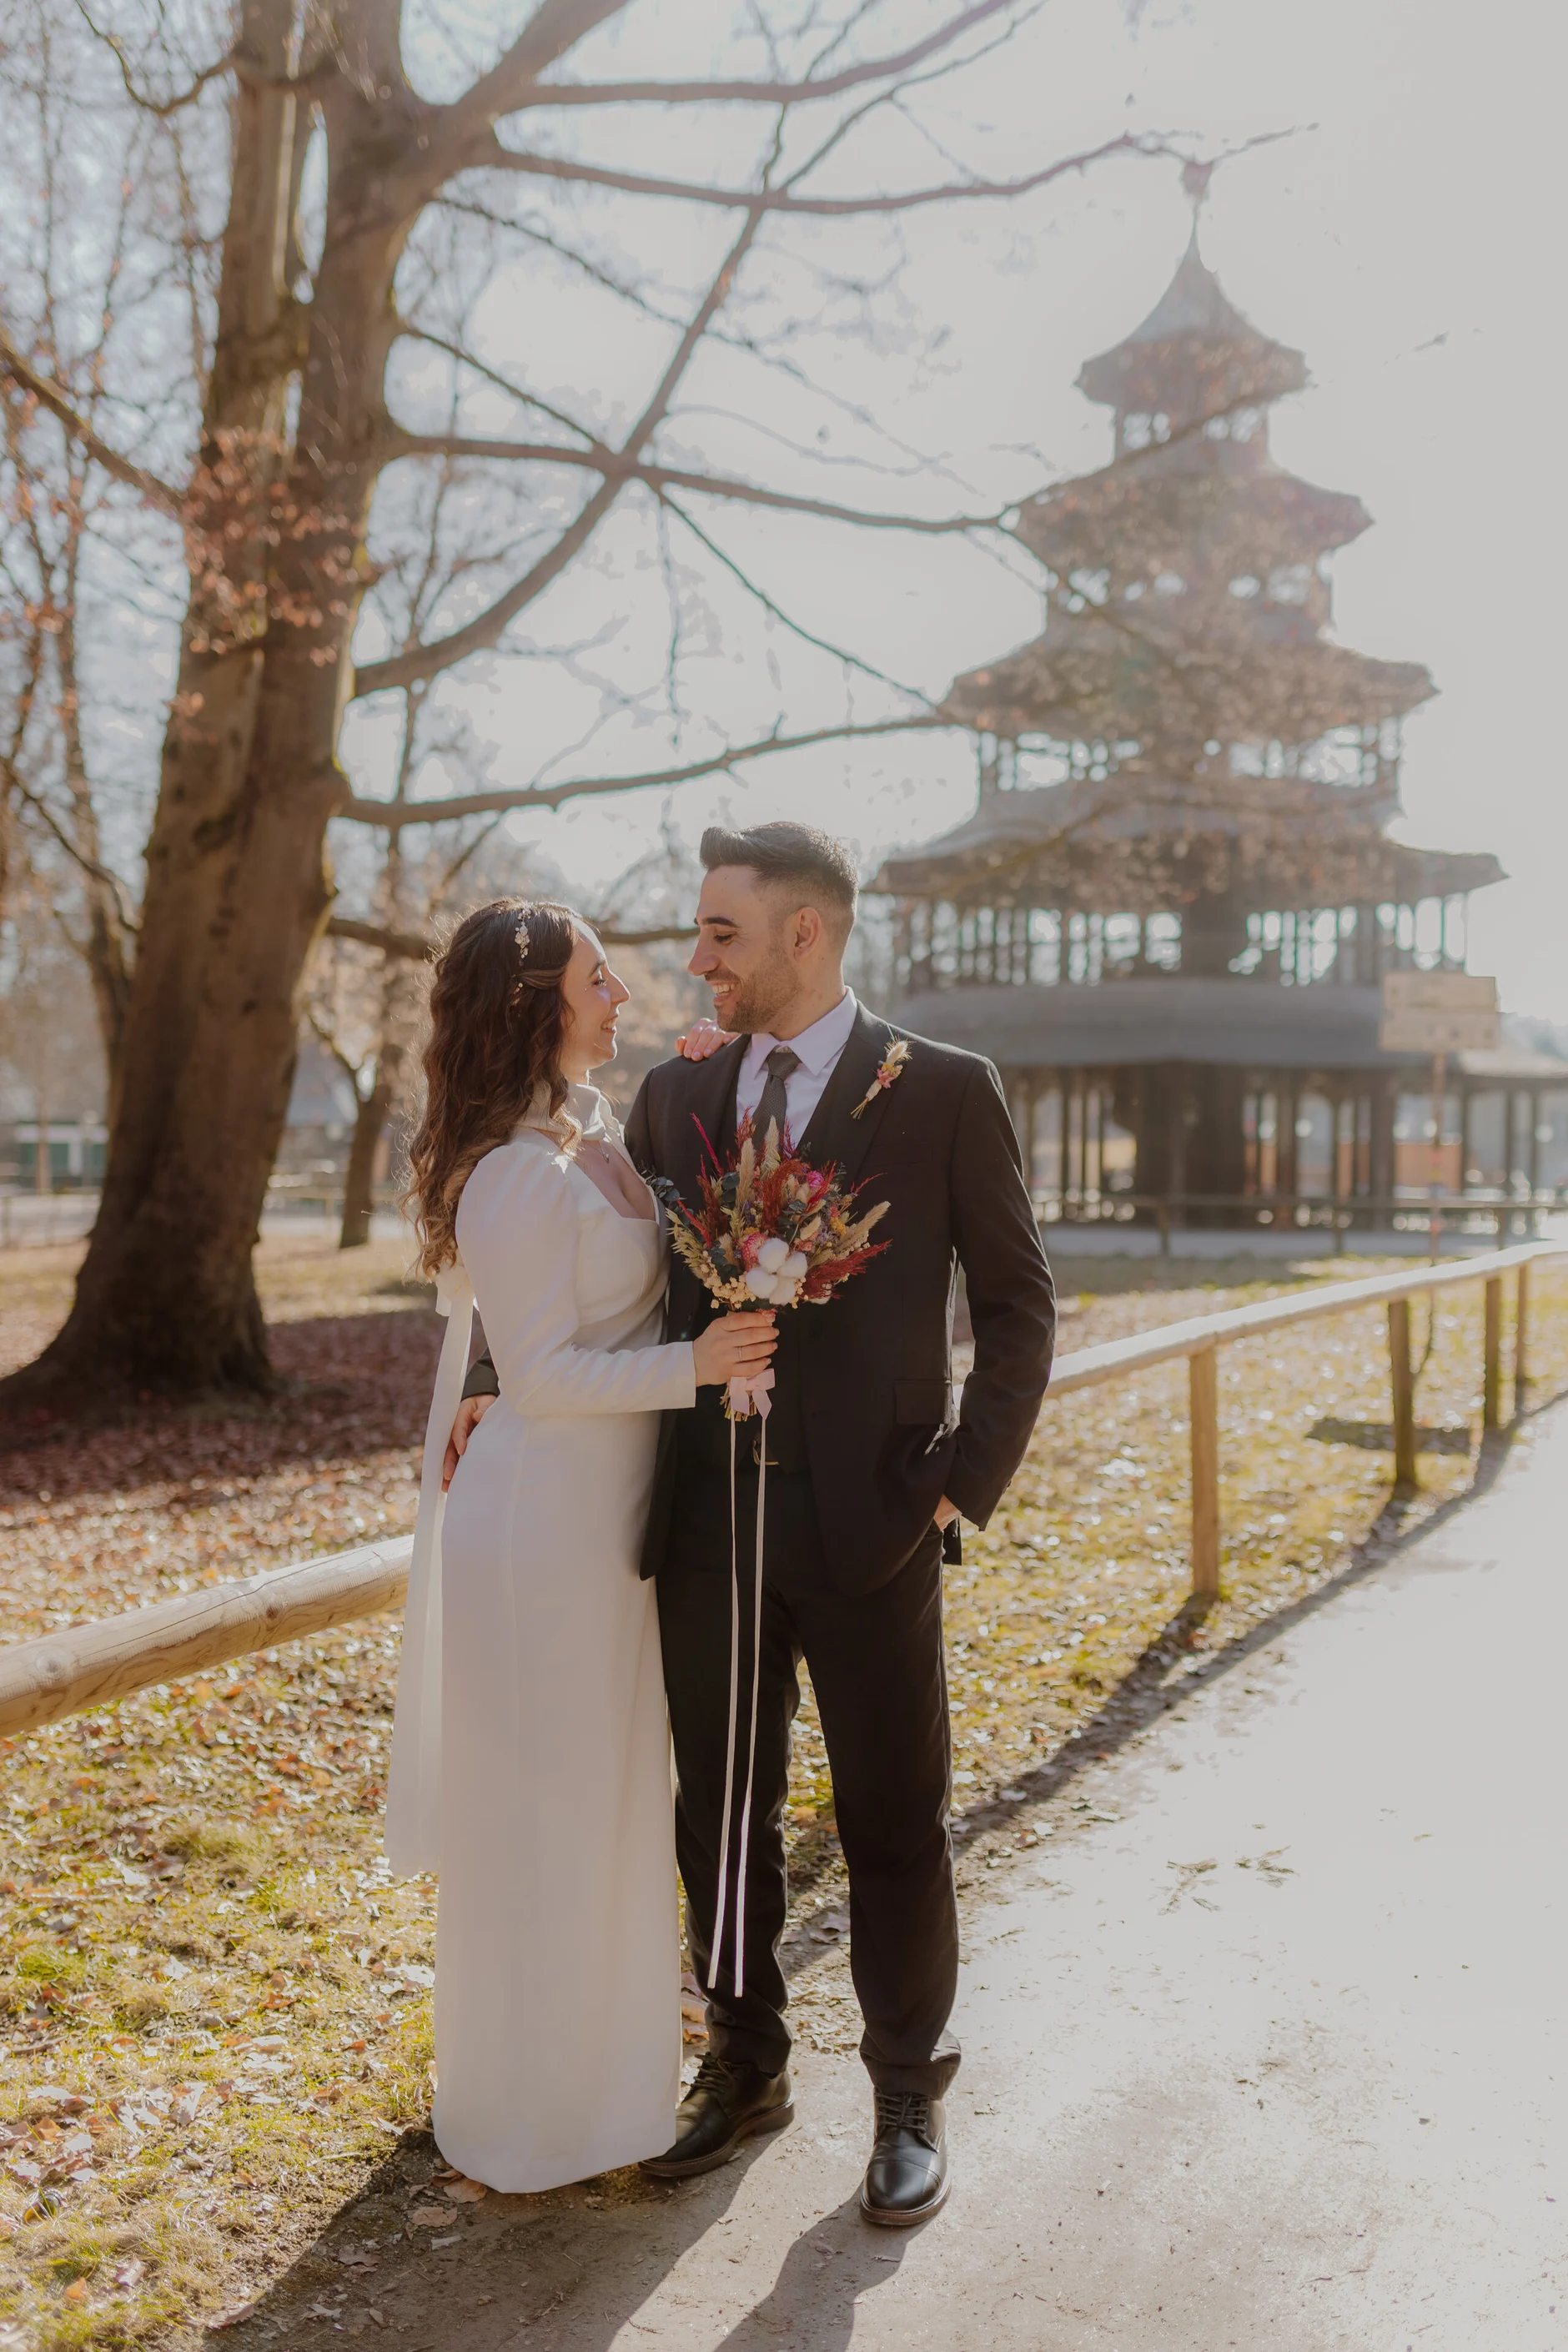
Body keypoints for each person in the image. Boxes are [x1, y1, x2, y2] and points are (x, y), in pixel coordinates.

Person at [450, 825, 1055, 2225]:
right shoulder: (677, 1092)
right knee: (719, 1813)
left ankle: (907, 2090)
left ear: (806, 935)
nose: (697, 956)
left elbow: (1020, 1307)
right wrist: (491, 1378)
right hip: (706, 1520)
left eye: (723, 930)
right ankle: (747, 2060)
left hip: (879, 1522)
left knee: (893, 1818)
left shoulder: (945, 1090)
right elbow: (583, 1266)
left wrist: (963, 1481)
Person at [386, 900, 776, 2194]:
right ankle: (524, 2116)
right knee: (541, 1820)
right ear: (534, 1005)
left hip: (606, 1532)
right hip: (535, 1534)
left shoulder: (592, 1135)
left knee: (608, 1810)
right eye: (599, 980)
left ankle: (612, 2101)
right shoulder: (507, 1170)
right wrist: (700, 1366)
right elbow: (546, 1373)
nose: (624, 994)